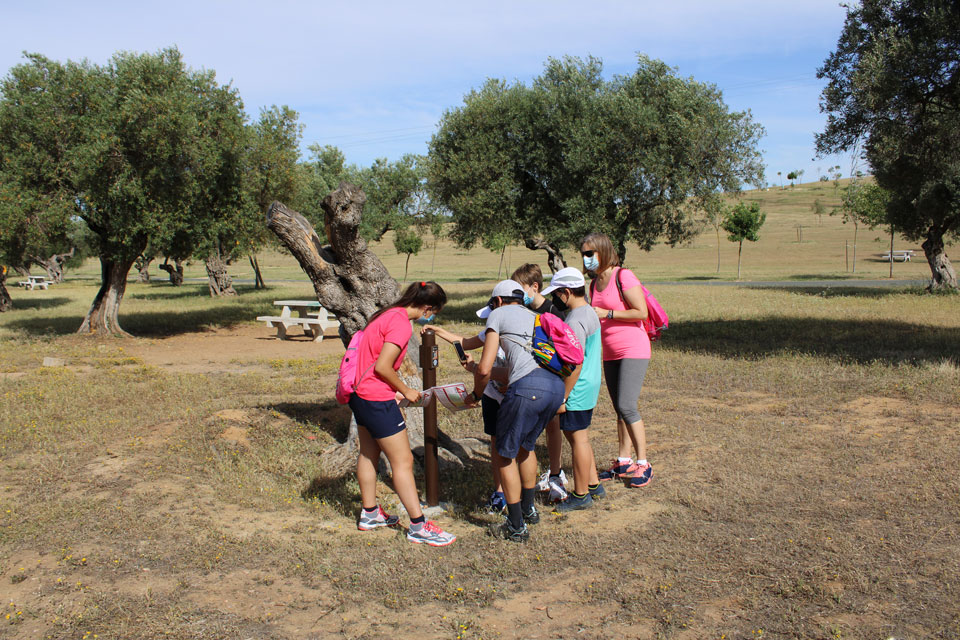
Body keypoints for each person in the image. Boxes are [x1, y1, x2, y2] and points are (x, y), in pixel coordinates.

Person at [349, 281, 457, 546]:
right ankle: (418, 526)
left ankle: (370, 512)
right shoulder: (400, 323)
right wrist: (406, 390)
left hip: (360, 396)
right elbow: (383, 367)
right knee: (403, 462)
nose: (430, 317)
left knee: (368, 453)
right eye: (433, 313)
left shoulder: (385, 315)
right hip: (376, 400)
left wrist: (393, 390)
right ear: (427, 307)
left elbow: (371, 360)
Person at [468, 280, 566, 542]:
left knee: (503, 454)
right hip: (555, 387)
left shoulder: (498, 315)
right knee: (526, 447)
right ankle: (529, 509)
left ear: (497, 301)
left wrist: (476, 394)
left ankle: (515, 525)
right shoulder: (535, 315)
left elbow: (486, 368)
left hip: (526, 389)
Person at [581, 233, 654, 488]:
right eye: (584, 254)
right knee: (619, 409)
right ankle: (624, 460)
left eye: (590, 253)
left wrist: (608, 313)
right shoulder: (593, 284)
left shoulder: (624, 276)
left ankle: (643, 463)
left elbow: (641, 312)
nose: (586, 258)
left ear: (603, 252)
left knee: (627, 405)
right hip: (609, 351)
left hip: (633, 347)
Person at [420, 322, 510, 513]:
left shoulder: (520, 330)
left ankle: (518, 498)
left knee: (513, 447)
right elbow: (464, 342)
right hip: (492, 395)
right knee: (495, 443)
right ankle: (500, 493)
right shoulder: (491, 330)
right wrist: (438, 330)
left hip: (513, 397)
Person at [540, 268, 605, 511]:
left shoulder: (575, 320)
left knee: (577, 439)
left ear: (566, 293)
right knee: (580, 437)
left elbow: (574, 362)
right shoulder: (589, 312)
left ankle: (580, 495)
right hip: (589, 384)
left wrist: (563, 395)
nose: (555, 299)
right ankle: (594, 485)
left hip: (576, 388)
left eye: (556, 294)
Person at [510, 263, 568, 502]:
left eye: (520, 288)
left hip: (551, 378)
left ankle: (556, 472)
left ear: (534, 287)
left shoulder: (553, 311)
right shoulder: (519, 311)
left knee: (553, 426)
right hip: (528, 378)